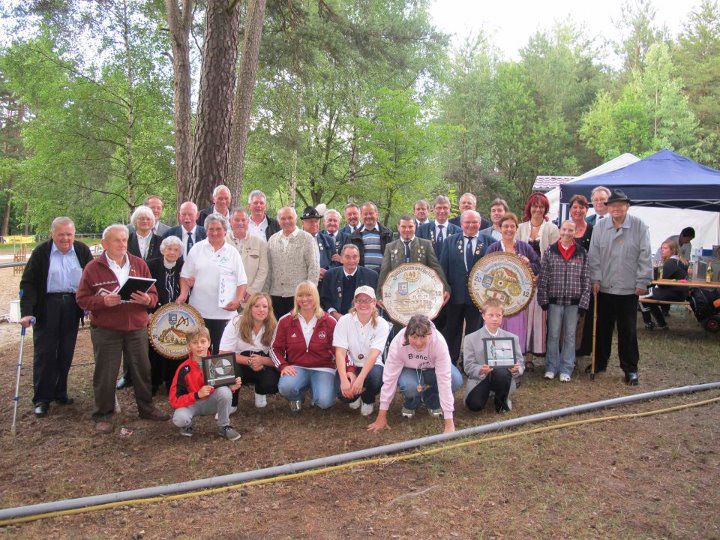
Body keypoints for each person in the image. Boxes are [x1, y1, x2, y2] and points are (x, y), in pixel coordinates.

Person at [76, 224, 169, 434]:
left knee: (142, 368)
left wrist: (147, 300)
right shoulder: (93, 268)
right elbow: (81, 299)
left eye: (124, 240)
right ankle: (103, 414)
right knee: (106, 373)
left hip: (136, 326)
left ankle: (146, 408)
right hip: (107, 328)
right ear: (104, 244)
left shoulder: (138, 264)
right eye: (116, 240)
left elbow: (154, 295)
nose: (122, 244)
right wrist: (102, 302)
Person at [19, 217, 93, 418]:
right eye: (61, 234)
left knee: (66, 352)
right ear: (52, 234)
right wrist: (27, 312)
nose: (65, 238)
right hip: (47, 307)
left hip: (72, 306)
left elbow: (92, 278)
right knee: (45, 353)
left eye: (69, 234)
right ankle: (42, 398)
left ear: (74, 234)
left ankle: (60, 392)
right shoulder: (41, 252)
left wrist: (91, 305)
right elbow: (28, 283)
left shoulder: (82, 250)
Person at [588, 189, 652, 385]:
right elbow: (594, 256)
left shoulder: (639, 226)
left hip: (628, 289)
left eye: (620, 205)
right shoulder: (600, 227)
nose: (616, 208)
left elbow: (645, 255)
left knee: (628, 331)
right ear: (608, 208)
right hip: (604, 287)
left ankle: (630, 368)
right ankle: (599, 362)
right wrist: (595, 279)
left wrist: (642, 281)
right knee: (602, 328)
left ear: (627, 206)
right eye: (612, 205)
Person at [367, 315, 462, 434]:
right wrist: (381, 416)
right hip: (409, 369)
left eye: (423, 337)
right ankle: (412, 402)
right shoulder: (398, 343)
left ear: (430, 334)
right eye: (414, 337)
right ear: (407, 334)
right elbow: (389, 379)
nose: (418, 343)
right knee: (410, 387)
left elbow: (444, 380)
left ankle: (432, 398)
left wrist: (449, 423)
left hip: (432, 370)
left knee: (455, 380)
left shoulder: (439, 342)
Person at [177, 213, 247, 354]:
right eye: (211, 229)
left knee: (221, 354)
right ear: (206, 231)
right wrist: (183, 294)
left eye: (218, 229)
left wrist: (238, 300)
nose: (215, 233)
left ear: (225, 231)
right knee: (200, 352)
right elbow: (184, 276)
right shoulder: (196, 249)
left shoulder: (232, 252)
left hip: (225, 313)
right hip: (199, 312)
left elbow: (242, 281)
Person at [537, 220, 591, 381]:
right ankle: (551, 367)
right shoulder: (550, 251)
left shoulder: (581, 252)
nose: (567, 233)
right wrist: (543, 298)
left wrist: (584, 302)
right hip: (554, 301)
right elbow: (544, 276)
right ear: (560, 231)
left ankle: (566, 368)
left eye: (571, 230)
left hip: (574, 302)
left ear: (575, 232)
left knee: (570, 335)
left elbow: (586, 278)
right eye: (564, 229)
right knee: (553, 335)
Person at [270, 281, 337, 412]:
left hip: (323, 368)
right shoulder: (286, 320)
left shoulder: (329, 321)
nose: (304, 299)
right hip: (297, 367)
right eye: (300, 295)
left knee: (324, 402)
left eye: (309, 295)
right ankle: (297, 397)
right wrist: (283, 365)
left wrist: (345, 369)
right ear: (296, 298)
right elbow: (274, 348)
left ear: (316, 296)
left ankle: (316, 390)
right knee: (285, 387)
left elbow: (339, 350)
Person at [439, 210, 494, 365]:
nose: (471, 225)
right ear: (461, 224)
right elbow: (443, 269)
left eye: (474, 222)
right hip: (454, 296)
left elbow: (493, 270)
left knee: (475, 332)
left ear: (480, 223)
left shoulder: (490, 242)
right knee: (452, 331)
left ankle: (470, 363)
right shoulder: (450, 241)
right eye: (467, 222)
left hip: (478, 297)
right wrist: (445, 290)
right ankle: (450, 362)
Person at [169, 326, 242, 440]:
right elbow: (174, 400)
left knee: (225, 392)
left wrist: (232, 387)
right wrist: (197, 395)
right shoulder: (183, 369)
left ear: (209, 343)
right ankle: (187, 425)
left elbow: (222, 390)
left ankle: (224, 426)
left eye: (203, 341)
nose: (199, 346)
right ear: (189, 345)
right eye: (195, 342)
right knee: (179, 419)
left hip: (211, 402)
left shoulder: (217, 362)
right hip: (191, 405)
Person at [486, 213, 541, 357]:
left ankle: (515, 364)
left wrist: (528, 264)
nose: (509, 229)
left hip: (517, 300)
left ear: (516, 228)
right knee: (496, 328)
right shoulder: (493, 248)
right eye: (505, 226)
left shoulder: (524, 247)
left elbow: (537, 266)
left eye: (512, 226)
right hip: (496, 299)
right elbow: (484, 271)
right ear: (500, 228)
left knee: (515, 330)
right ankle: (496, 362)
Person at [334, 286, 391, 416]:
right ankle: (355, 395)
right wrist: (344, 380)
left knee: (375, 379)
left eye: (367, 300)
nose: (363, 304)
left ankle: (367, 399)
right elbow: (340, 353)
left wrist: (359, 379)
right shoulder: (344, 320)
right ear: (354, 303)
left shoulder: (382, 324)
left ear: (374, 302)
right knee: (342, 394)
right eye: (359, 300)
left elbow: (374, 355)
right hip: (350, 365)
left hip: (372, 365)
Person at [516, 192, 559, 357]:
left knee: (538, 318)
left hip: (542, 280)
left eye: (542, 207)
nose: (538, 209)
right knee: (523, 318)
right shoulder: (521, 228)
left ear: (545, 209)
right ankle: (524, 356)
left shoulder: (552, 228)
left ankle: (537, 351)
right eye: (535, 206)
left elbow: (554, 257)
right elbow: (516, 252)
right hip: (522, 280)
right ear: (530, 207)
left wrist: (540, 276)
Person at [219, 292, 279, 409]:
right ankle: (232, 402)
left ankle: (261, 391)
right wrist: (250, 361)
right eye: (257, 306)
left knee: (272, 382)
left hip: (262, 362)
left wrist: (262, 361)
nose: (261, 310)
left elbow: (279, 358)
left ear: (269, 309)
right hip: (239, 361)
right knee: (228, 367)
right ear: (249, 308)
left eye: (265, 306)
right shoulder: (236, 322)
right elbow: (223, 354)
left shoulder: (274, 326)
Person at [463, 299, 524, 413]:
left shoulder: (512, 338)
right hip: (481, 379)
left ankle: (501, 401)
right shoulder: (470, 338)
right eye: (490, 315)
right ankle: (488, 393)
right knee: (475, 406)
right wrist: (480, 369)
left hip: (503, 377)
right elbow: (468, 366)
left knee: (502, 372)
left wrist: (516, 369)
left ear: (502, 316)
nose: (495, 319)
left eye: (498, 315)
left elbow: (520, 362)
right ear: (483, 316)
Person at [376, 215, 449, 303]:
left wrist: (445, 288)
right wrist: (379, 295)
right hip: (398, 295)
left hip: (420, 294)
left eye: (410, 226)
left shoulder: (426, 245)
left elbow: (436, 268)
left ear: (415, 227)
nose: (407, 230)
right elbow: (384, 272)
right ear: (398, 227)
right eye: (403, 227)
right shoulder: (390, 247)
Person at [266, 206, 320, 318]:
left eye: (290, 218)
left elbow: (314, 268)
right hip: (275, 295)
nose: (286, 221)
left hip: (299, 296)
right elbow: (269, 269)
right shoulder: (272, 240)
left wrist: (309, 294)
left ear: (295, 219)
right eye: (283, 218)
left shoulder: (307, 239)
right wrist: (266, 293)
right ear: (278, 221)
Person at [147, 235, 185, 392]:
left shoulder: (183, 266)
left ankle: (172, 382)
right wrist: (149, 312)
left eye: (176, 250)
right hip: (156, 313)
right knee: (155, 348)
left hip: (177, 314)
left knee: (175, 347)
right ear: (163, 250)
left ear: (180, 253)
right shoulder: (151, 265)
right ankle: (154, 382)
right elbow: (147, 290)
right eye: (169, 249)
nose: (172, 252)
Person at [321, 244, 378, 319]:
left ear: (359, 259)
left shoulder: (371, 276)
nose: (351, 260)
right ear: (341, 259)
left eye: (355, 257)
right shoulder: (330, 275)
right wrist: (335, 314)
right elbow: (325, 300)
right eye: (347, 257)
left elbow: (374, 301)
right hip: (336, 318)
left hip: (363, 318)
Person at [641, 239, 688, 330]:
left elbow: (658, 280)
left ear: (673, 250)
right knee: (648, 298)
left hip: (674, 293)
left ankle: (649, 323)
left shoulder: (671, 262)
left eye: (665, 248)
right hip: (680, 293)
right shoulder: (679, 261)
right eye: (662, 248)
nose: (662, 250)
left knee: (641, 295)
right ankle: (661, 324)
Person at [226, 206, 269, 304]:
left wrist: (251, 291)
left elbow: (263, 270)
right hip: (227, 296)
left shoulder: (259, 243)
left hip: (250, 298)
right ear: (230, 221)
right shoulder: (223, 242)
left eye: (243, 220)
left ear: (248, 222)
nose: (240, 223)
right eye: (237, 220)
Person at [348, 201, 394, 271]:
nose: (368, 216)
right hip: (363, 275)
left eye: (371, 213)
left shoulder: (388, 234)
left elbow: (392, 257)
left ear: (376, 214)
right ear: (361, 216)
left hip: (383, 274)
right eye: (365, 214)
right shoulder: (353, 237)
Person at [301, 206, 337, 280]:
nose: (314, 224)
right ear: (303, 223)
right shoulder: (296, 241)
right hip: (304, 283)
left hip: (324, 282)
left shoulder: (328, 240)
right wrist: (314, 272)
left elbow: (335, 262)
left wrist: (327, 272)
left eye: (316, 221)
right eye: (311, 221)